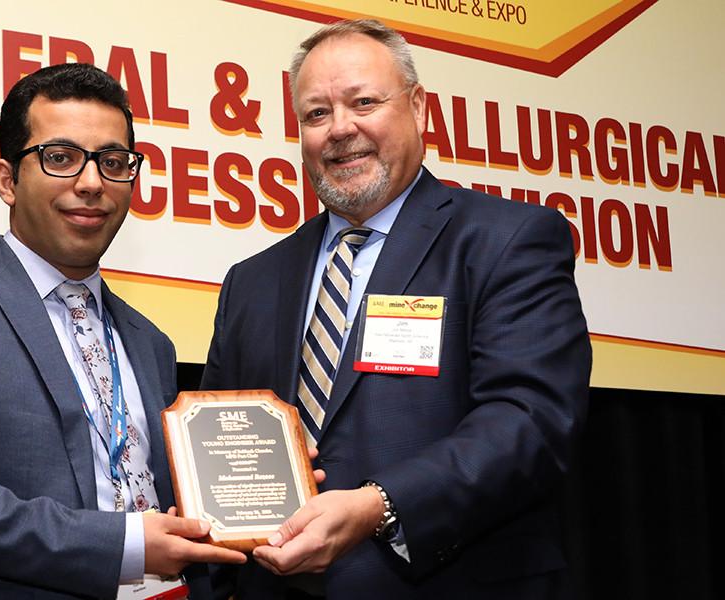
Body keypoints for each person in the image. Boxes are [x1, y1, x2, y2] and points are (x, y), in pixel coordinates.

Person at [201, 19, 591, 599]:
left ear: (419, 108)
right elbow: (211, 445)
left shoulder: (506, 240)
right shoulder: (251, 281)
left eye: (364, 103)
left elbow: (530, 420)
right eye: (315, 114)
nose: (340, 130)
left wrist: (379, 504)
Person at [0, 63, 245, 600]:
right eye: (60, 158)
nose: (91, 183)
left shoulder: (150, 340)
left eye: (113, 162)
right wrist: (122, 544)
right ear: (7, 181)